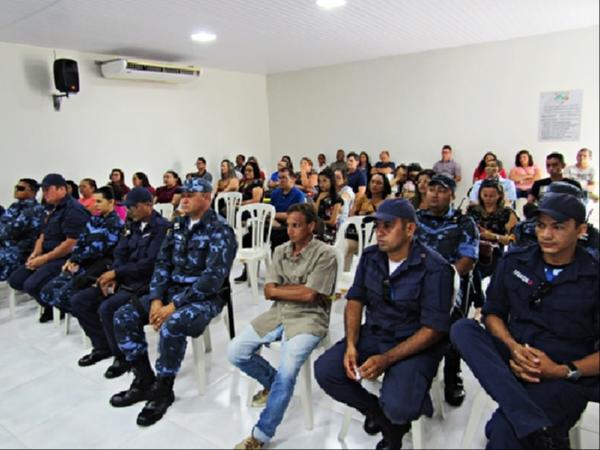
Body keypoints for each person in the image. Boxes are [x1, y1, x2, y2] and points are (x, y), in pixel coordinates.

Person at [450, 193, 599, 449]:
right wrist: (513, 347)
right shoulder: (515, 261)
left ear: (581, 230)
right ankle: (533, 423)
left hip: (562, 374)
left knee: (503, 433)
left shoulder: (594, 276)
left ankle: (525, 422)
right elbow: (492, 313)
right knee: (463, 329)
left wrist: (560, 370)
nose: (546, 235)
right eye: (541, 225)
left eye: (558, 227)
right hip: (513, 356)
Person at [315, 198, 454, 450]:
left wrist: (387, 359)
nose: (380, 232)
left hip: (415, 343)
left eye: (388, 226)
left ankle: (396, 415)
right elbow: (355, 299)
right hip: (376, 332)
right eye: (377, 225)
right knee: (326, 371)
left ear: (410, 229)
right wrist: (351, 345)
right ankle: (381, 416)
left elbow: (433, 329)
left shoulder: (435, 268)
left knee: (399, 407)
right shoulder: (371, 257)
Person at [110, 178, 237, 426]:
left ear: (207, 198)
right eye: (183, 194)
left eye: (191, 194)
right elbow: (162, 264)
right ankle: (144, 380)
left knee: (172, 325)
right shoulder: (177, 225)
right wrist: (156, 299)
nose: (184, 199)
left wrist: (173, 306)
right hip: (170, 292)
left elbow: (212, 279)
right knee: (123, 316)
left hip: (204, 297)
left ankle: (163, 389)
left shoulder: (220, 230)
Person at [228, 202, 337, 450]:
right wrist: (298, 290)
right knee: (235, 351)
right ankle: (272, 383)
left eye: (296, 225)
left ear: (311, 226)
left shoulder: (326, 254)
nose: (290, 230)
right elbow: (269, 292)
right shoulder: (280, 251)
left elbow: (310, 296)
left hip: (309, 319)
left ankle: (260, 436)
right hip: (278, 314)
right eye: (288, 225)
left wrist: (285, 289)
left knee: (287, 373)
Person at [69, 187, 170, 378]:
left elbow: (150, 263)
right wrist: (115, 274)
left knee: (107, 308)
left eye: (133, 206)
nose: (128, 210)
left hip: (143, 282)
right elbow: (119, 252)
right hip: (122, 278)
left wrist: (117, 273)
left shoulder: (162, 228)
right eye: (127, 207)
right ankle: (102, 346)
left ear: (148, 205)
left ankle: (123, 357)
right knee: (79, 301)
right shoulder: (130, 225)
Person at [415, 174, 479, 407]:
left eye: (442, 190)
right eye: (431, 189)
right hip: (414, 280)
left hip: (450, 282)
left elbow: (467, 260)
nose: (435, 194)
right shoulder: (414, 218)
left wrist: (441, 282)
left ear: (452, 196)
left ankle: (452, 375)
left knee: (454, 326)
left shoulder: (463, 223)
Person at [8, 174, 89, 322]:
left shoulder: (73, 210)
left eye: (47, 189)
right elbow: (43, 234)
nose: (44, 193)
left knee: (32, 285)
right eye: (43, 190)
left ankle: (55, 305)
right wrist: (35, 254)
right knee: (16, 280)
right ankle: (49, 303)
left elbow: (71, 243)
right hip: (47, 254)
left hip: (64, 257)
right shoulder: (52, 208)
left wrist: (44, 259)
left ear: (62, 189)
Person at [38, 186, 124, 314]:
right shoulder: (93, 220)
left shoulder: (115, 224)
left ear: (111, 202)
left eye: (99, 201)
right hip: (82, 264)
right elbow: (81, 242)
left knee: (64, 298)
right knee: (47, 292)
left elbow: (97, 250)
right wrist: (72, 260)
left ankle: (88, 318)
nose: (95, 205)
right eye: (94, 201)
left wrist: (77, 259)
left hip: (97, 267)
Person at [466, 180, 518, 307]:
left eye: (492, 196)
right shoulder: (473, 210)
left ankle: (480, 300)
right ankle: (477, 299)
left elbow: (514, 239)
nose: (488, 199)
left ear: (499, 196)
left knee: (477, 268)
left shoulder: (507, 213)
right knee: (468, 265)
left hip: (494, 251)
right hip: (473, 247)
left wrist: (493, 236)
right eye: (485, 195)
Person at [0, 179, 45, 281]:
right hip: (5, 246)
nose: (16, 190)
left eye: (20, 188)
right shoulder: (15, 206)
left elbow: (10, 231)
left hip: (19, 251)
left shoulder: (34, 209)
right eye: (16, 187)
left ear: (32, 192)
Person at [269, 167, 306, 250]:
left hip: (290, 225)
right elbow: (268, 211)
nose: (281, 180)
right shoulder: (275, 193)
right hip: (274, 223)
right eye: (279, 178)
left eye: (284, 178)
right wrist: (272, 219)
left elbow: (294, 216)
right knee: (252, 231)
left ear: (293, 179)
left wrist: (274, 215)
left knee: (277, 235)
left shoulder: (298, 195)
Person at [315, 168, 343, 244]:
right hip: (316, 230)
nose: (321, 184)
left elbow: (332, 222)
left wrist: (318, 222)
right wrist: (319, 200)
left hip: (329, 232)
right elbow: (314, 214)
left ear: (331, 181)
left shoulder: (336, 199)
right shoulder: (317, 196)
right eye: (319, 181)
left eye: (325, 181)